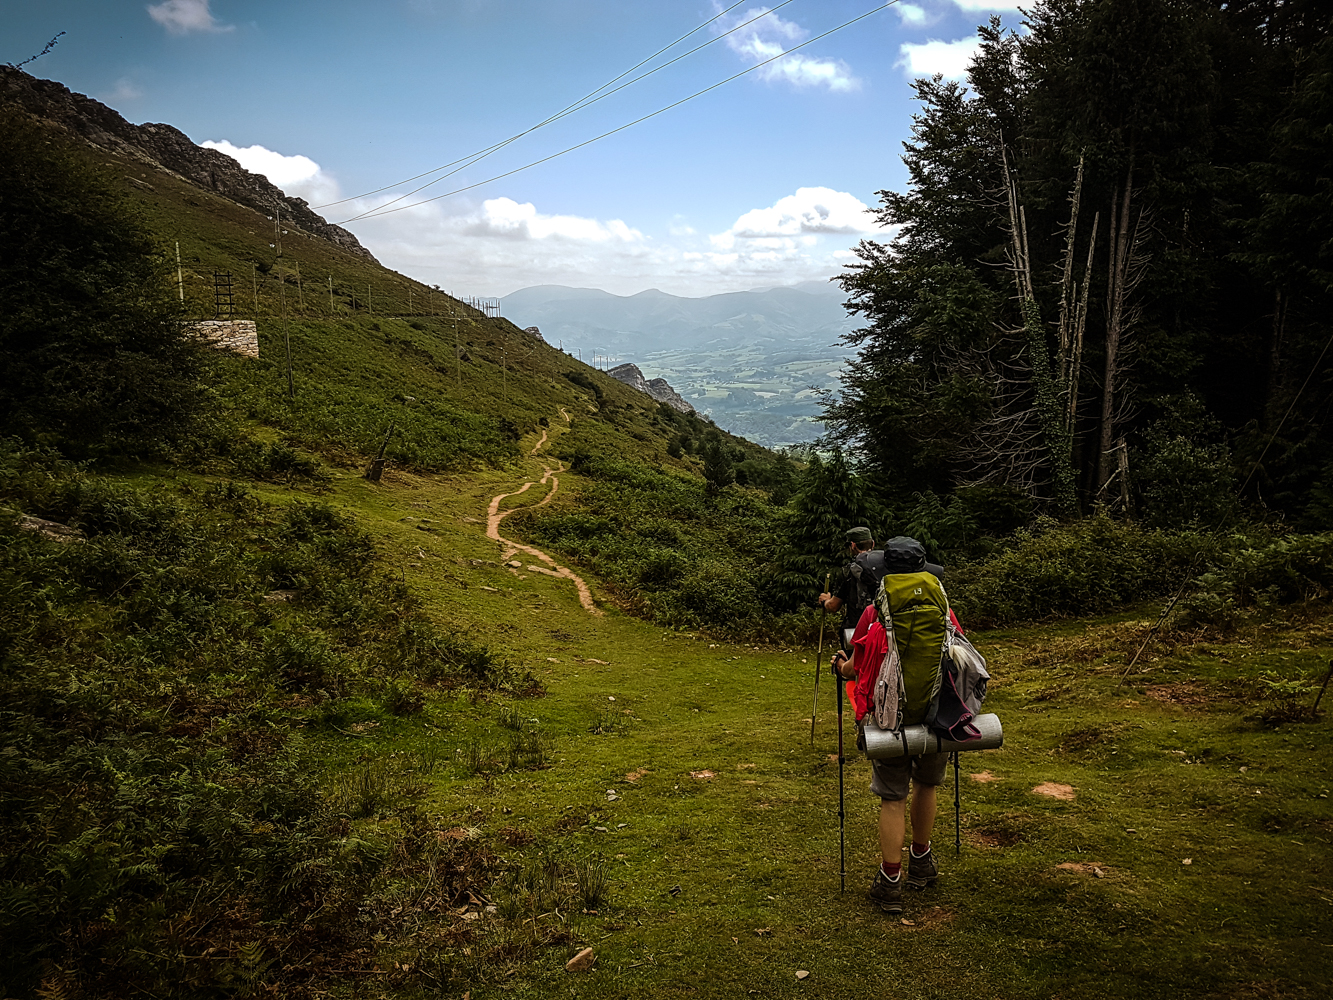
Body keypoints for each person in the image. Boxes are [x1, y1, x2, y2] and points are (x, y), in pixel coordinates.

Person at [830, 602, 944, 916]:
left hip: (889, 720)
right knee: (927, 784)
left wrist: (840, 666)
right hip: (936, 717)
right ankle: (921, 861)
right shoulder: (943, 610)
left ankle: (890, 880)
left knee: (893, 797)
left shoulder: (874, 613)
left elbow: (856, 666)